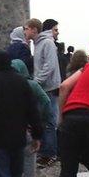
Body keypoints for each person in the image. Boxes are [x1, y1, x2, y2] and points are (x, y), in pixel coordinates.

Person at [10, 58, 51, 177]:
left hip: (11, 132)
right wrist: (42, 121)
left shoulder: (8, 86)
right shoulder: (32, 85)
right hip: (29, 131)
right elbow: (47, 102)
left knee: (13, 174)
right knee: (29, 174)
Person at [27, 18, 62, 165]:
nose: (25, 31)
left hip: (48, 88)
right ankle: (45, 153)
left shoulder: (46, 43)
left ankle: (50, 154)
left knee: (49, 122)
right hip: (44, 87)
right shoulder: (39, 43)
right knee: (44, 120)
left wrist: (36, 82)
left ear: (34, 29)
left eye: (26, 28)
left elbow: (50, 65)